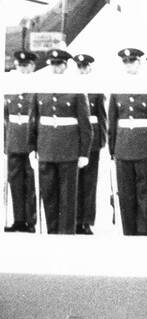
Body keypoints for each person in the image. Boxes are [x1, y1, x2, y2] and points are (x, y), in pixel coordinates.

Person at [108, 47, 147, 236]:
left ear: (139, 63)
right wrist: (112, 150)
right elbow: (112, 121)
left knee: (146, 195)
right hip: (123, 148)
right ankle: (129, 235)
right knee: (126, 196)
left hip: (145, 147)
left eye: (132, 61)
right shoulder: (116, 88)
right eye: (125, 62)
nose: (129, 65)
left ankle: (144, 235)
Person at [34, 49, 91, 234]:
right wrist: (31, 149)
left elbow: (85, 125)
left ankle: (66, 234)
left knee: (67, 198)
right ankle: (52, 232)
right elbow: (33, 120)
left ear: (66, 66)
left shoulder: (76, 89)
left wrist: (84, 153)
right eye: (52, 64)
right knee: (49, 196)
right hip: (46, 150)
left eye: (58, 64)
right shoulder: (40, 88)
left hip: (68, 151)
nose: (55, 68)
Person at [72, 52, 107, 235]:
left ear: (90, 68)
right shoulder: (70, 88)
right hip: (72, 138)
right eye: (79, 67)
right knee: (73, 182)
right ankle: (73, 219)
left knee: (89, 182)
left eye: (85, 66)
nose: (82, 70)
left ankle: (85, 221)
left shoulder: (96, 89)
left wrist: (101, 141)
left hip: (91, 140)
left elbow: (102, 117)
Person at [4, 51, 38, 232]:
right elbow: (5, 116)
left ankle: (30, 221)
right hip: (14, 140)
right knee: (15, 180)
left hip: (30, 140)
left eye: (26, 66)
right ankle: (18, 219)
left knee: (30, 181)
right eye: (19, 66)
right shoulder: (10, 88)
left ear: (32, 67)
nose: (22, 70)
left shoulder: (38, 88)